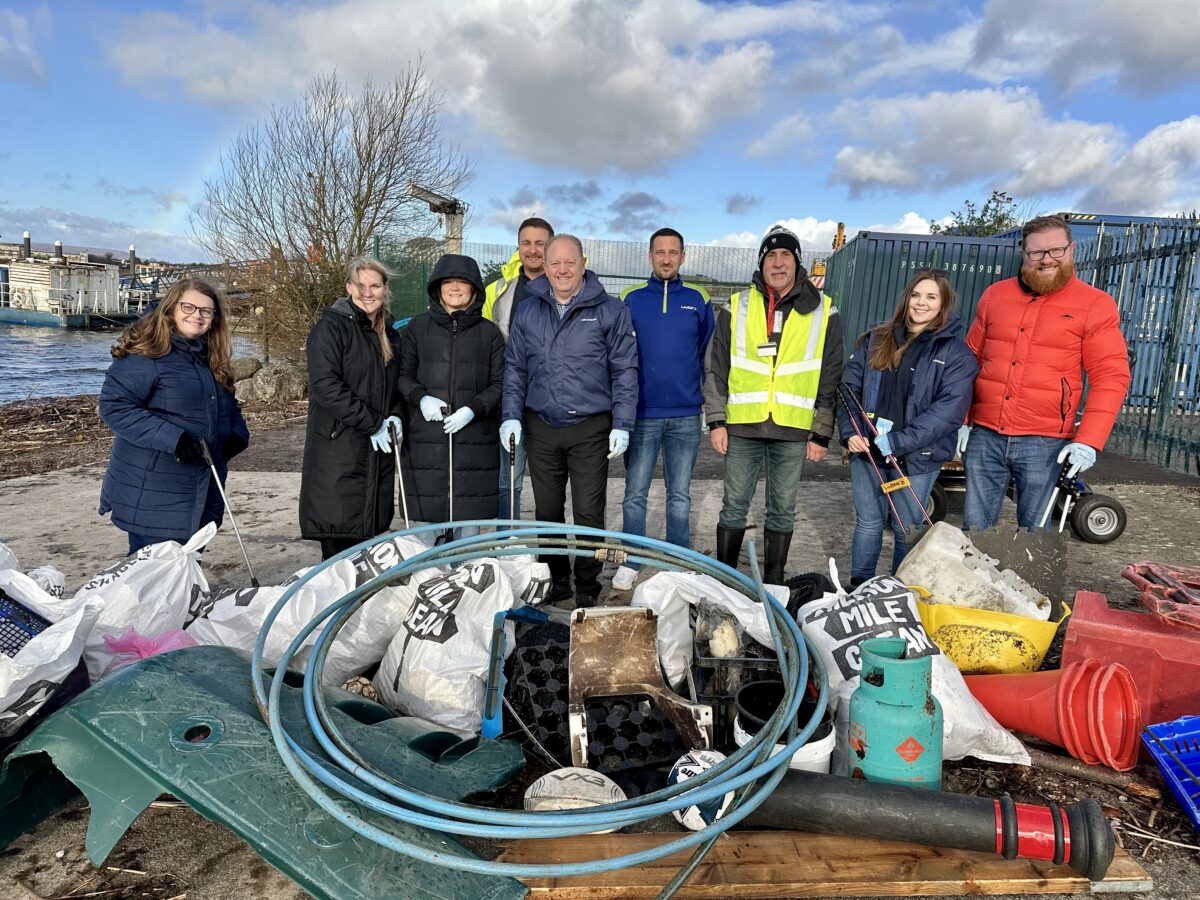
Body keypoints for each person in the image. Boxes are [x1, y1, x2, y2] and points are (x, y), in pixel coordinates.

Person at [961, 215, 1131, 530]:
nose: (1047, 260)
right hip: (986, 435)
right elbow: (969, 359)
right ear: (1022, 253)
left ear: (1071, 249)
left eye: (1056, 251)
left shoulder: (1095, 305)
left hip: (1045, 442)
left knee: (1033, 535)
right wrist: (961, 419)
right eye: (1037, 253)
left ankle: (1028, 581)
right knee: (974, 529)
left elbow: (1111, 376)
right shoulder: (994, 296)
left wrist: (1089, 439)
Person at [500, 234, 638, 605]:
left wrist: (622, 423)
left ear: (583, 263)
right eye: (554, 263)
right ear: (544, 266)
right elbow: (514, 367)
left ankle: (588, 589)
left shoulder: (610, 309)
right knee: (546, 513)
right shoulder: (529, 310)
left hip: (590, 428)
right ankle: (557, 583)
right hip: (541, 425)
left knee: (589, 514)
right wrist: (511, 415)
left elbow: (625, 370)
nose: (562, 270)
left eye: (569, 262)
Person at [704, 225, 844, 584]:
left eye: (785, 255)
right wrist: (716, 421)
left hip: (792, 428)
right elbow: (716, 366)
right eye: (771, 255)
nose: (778, 263)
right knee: (733, 505)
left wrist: (822, 434)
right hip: (743, 426)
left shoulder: (824, 312)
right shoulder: (736, 306)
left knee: (782, 510)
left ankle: (774, 582)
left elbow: (830, 375)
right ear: (761, 262)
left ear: (797, 263)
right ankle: (726, 579)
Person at [839, 270, 979, 585]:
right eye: (916, 295)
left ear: (943, 304)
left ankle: (899, 591)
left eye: (931, 297)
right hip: (869, 452)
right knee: (868, 524)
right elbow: (849, 388)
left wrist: (900, 441)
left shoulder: (955, 354)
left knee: (907, 527)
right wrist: (850, 432)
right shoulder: (876, 339)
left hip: (916, 456)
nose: (921, 303)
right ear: (907, 298)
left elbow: (948, 412)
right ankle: (859, 588)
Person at [99, 278, 249, 555]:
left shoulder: (210, 356)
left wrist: (237, 434)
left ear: (214, 318)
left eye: (206, 311)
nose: (197, 315)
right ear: (171, 308)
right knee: (154, 578)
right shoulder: (147, 352)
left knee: (188, 570)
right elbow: (115, 406)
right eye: (189, 307)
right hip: (155, 488)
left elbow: (228, 403)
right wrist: (175, 440)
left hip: (204, 483)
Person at [611, 227, 715, 591]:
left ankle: (677, 557)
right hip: (640, 414)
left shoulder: (698, 299)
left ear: (683, 257)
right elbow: (618, 353)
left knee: (680, 494)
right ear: (650, 256)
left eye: (673, 252)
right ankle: (632, 557)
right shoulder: (630, 298)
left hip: (686, 414)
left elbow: (707, 354)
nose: (666, 259)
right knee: (635, 492)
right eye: (660, 252)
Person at [299, 257, 404, 560]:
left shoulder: (391, 336)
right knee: (338, 550)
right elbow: (326, 386)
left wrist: (396, 416)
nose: (367, 292)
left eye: (375, 285)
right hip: (339, 450)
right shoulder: (330, 330)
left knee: (367, 546)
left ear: (385, 289)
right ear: (348, 288)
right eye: (360, 285)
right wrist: (373, 423)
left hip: (376, 454)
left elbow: (396, 386)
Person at [398, 254, 505, 532]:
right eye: (448, 281)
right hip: (426, 442)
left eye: (462, 282)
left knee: (467, 530)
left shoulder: (490, 334)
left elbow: (499, 383)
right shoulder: (417, 328)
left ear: (474, 289)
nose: (455, 288)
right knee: (425, 530)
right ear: (437, 287)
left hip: (475, 444)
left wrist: (474, 409)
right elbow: (403, 377)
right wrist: (421, 397)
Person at [483, 216, 554, 520]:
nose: (533, 249)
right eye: (527, 242)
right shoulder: (497, 290)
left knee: (549, 484)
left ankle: (546, 552)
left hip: (550, 403)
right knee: (507, 480)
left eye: (541, 243)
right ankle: (505, 544)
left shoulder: (565, 285)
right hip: (509, 398)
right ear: (518, 246)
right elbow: (484, 343)